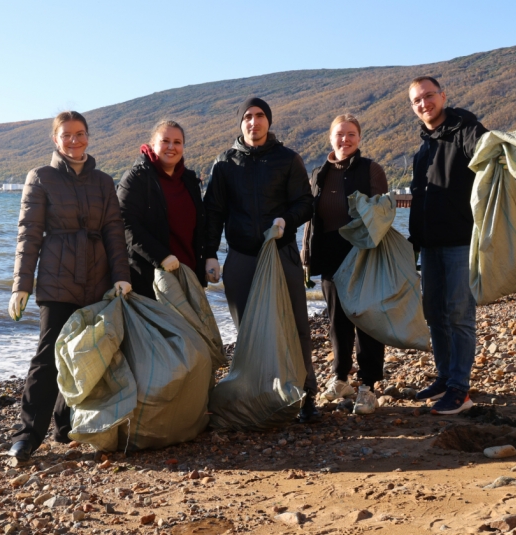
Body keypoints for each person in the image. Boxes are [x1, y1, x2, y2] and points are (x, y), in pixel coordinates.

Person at [8, 111, 132, 461]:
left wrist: (122, 276)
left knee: (86, 354)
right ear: (55, 139)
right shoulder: (41, 177)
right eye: (67, 135)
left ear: (88, 137)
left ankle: (66, 427)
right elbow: (29, 234)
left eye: (80, 134)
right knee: (48, 358)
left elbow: (114, 233)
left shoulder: (103, 182)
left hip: (98, 280)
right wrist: (22, 284)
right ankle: (27, 435)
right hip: (57, 279)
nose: (74, 141)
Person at [204, 97, 319, 422]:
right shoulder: (225, 163)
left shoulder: (287, 159)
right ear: (241, 123)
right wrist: (210, 254)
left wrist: (285, 221)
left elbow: (305, 203)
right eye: (248, 117)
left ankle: (306, 395)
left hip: (280, 254)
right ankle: (259, 397)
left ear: (268, 121)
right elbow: (213, 212)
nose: (253, 122)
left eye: (259, 116)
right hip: (240, 257)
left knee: (296, 327)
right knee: (248, 332)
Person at [407, 76, 487, 415]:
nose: (424, 103)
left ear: (443, 96)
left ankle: (459, 389)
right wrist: (413, 243)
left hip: (460, 242)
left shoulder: (465, 131)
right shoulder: (423, 149)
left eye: (429, 96)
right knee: (435, 315)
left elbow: (486, 149)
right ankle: (444, 377)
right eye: (417, 100)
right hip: (430, 245)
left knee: (459, 315)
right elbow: (417, 198)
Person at [300, 114, 388, 415]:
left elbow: (382, 213)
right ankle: (339, 378)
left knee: (366, 319)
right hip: (328, 254)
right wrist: (306, 258)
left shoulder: (371, 170)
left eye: (351, 134)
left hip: (362, 254)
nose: (345, 140)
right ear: (330, 137)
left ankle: (368, 386)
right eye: (340, 134)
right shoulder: (319, 173)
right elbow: (313, 220)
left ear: (359, 138)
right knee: (337, 321)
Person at [117, 120, 207, 298]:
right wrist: (161, 257)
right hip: (150, 282)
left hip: (188, 279)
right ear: (152, 144)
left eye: (177, 142)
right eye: (165, 141)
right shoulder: (136, 179)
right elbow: (125, 223)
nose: (171, 147)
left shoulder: (189, 181)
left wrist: (207, 260)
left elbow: (200, 226)